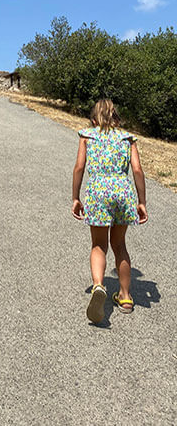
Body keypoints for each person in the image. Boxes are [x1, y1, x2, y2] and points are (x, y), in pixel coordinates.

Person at [71, 99, 148, 323]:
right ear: (116, 118)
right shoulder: (127, 138)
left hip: (98, 192)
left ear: (94, 119)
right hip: (123, 192)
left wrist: (75, 197)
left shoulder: (88, 135)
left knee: (98, 245)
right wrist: (141, 201)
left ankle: (98, 286)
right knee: (119, 245)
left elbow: (79, 167)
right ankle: (125, 297)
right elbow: (137, 169)